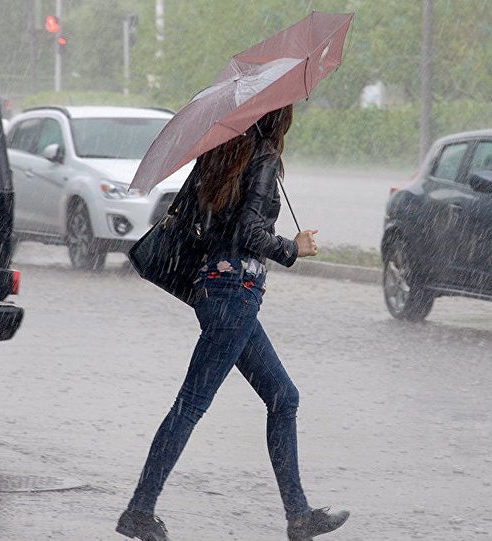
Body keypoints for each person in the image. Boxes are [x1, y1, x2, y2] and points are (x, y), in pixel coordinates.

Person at [116, 105, 349, 541]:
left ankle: (299, 517)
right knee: (191, 405)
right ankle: (139, 510)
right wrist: (292, 248)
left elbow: (201, 221)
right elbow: (248, 232)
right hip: (236, 293)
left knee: (283, 396)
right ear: (279, 119)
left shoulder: (221, 153)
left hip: (213, 290)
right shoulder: (261, 157)